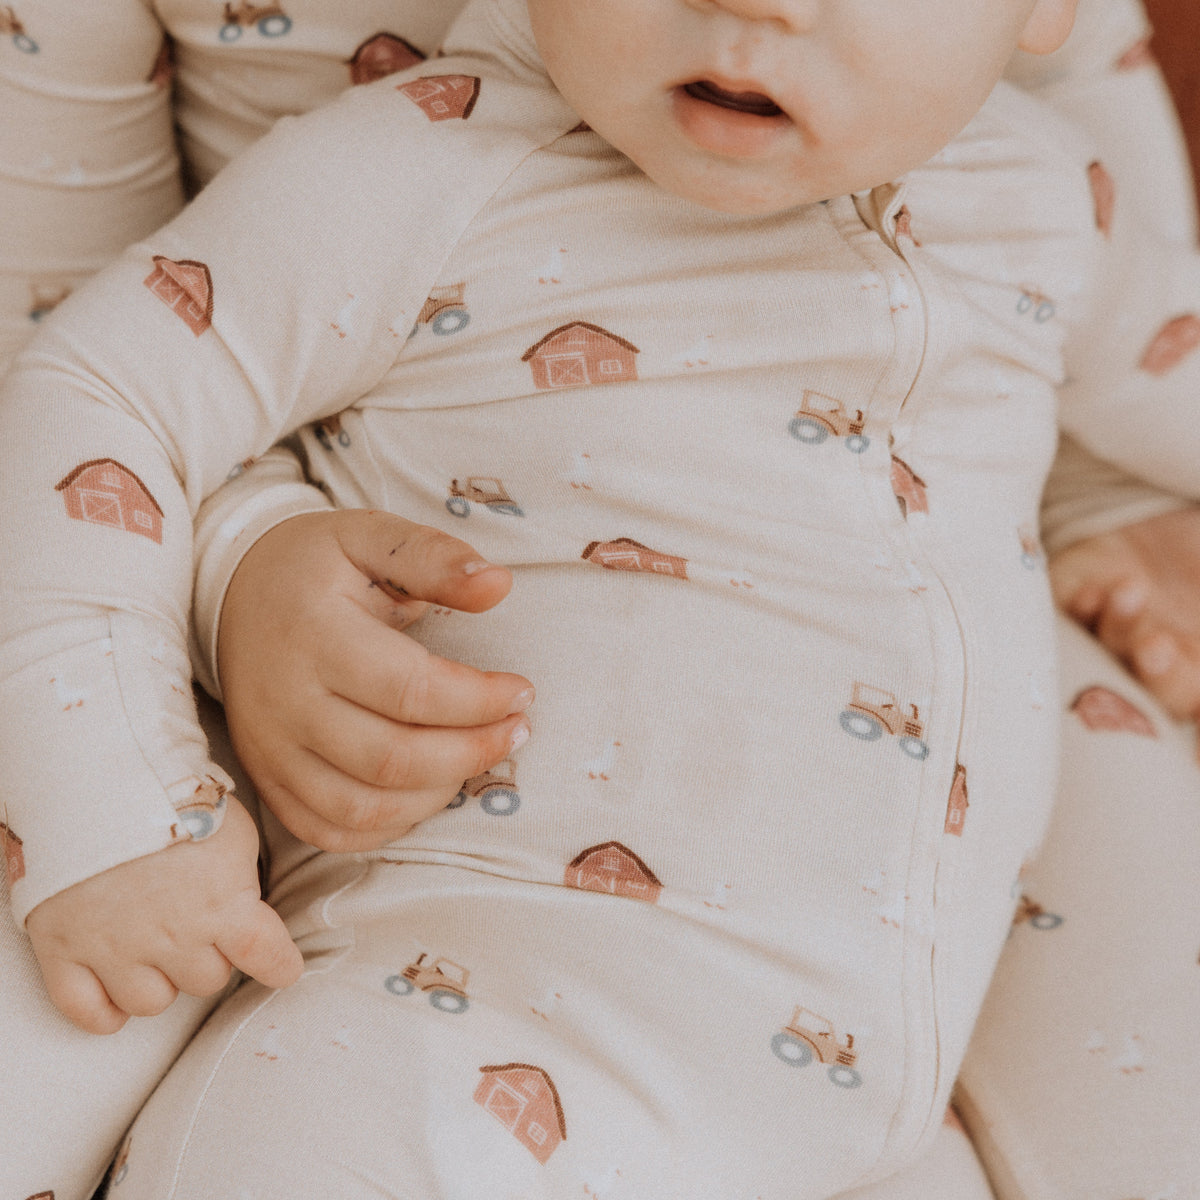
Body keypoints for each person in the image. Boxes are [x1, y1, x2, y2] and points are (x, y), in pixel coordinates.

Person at [3, 0, 1200, 1197]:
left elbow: (1169, 393)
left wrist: (1113, 507)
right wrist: (119, 804)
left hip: (869, 1091)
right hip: (473, 1013)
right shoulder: (424, 163)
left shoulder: (1049, 196)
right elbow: (91, 388)